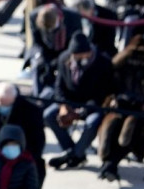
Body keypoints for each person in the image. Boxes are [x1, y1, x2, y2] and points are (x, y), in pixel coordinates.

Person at [44, 32, 115, 169]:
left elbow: (102, 95)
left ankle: (73, 155)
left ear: (87, 53)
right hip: (70, 103)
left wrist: (80, 113)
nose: (74, 59)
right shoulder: (64, 58)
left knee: (92, 123)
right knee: (49, 115)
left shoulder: (103, 63)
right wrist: (63, 105)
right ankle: (75, 152)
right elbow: (59, 87)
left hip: (92, 106)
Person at [97, 32, 144, 182]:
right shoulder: (120, 66)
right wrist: (111, 99)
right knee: (113, 124)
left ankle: (110, 164)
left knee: (131, 129)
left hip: (140, 111)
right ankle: (109, 164)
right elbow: (109, 87)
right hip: (120, 105)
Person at [0, 82, 46, 171]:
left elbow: (37, 141)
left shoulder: (31, 111)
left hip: (20, 159)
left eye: (7, 104)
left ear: (15, 99)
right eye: (0, 103)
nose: (3, 107)